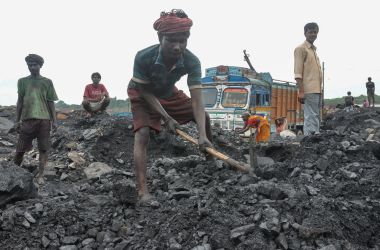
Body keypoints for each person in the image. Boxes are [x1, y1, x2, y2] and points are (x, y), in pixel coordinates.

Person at [127, 9, 213, 203]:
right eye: (171, 40)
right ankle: (142, 191)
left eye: (182, 41)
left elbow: (197, 100)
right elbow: (146, 91)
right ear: (160, 37)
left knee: (204, 118)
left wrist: (202, 135)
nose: (177, 47)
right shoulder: (143, 57)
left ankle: (210, 158)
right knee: (142, 133)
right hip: (143, 92)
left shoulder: (192, 61)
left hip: (167, 92)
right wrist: (166, 118)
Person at [13, 54, 58, 185]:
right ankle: (14, 172)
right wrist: (17, 120)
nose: (32, 67)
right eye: (29, 65)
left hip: (44, 120)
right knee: (20, 149)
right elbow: (20, 101)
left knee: (43, 149)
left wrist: (54, 121)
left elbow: (50, 102)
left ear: (40, 65)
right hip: (27, 119)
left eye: (35, 65)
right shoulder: (22, 81)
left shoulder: (47, 82)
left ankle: (41, 175)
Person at [294, 22, 322, 135]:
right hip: (309, 89)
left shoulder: (313, 50)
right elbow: (298, 72)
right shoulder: (301, 49)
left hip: (317, 90)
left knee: (315, 115)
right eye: (310, 32)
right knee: (311, 115)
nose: (313, 34)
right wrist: (301, 91)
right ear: (305, 33)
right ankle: (310, 141)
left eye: (315, 32)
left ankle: (314, 138)